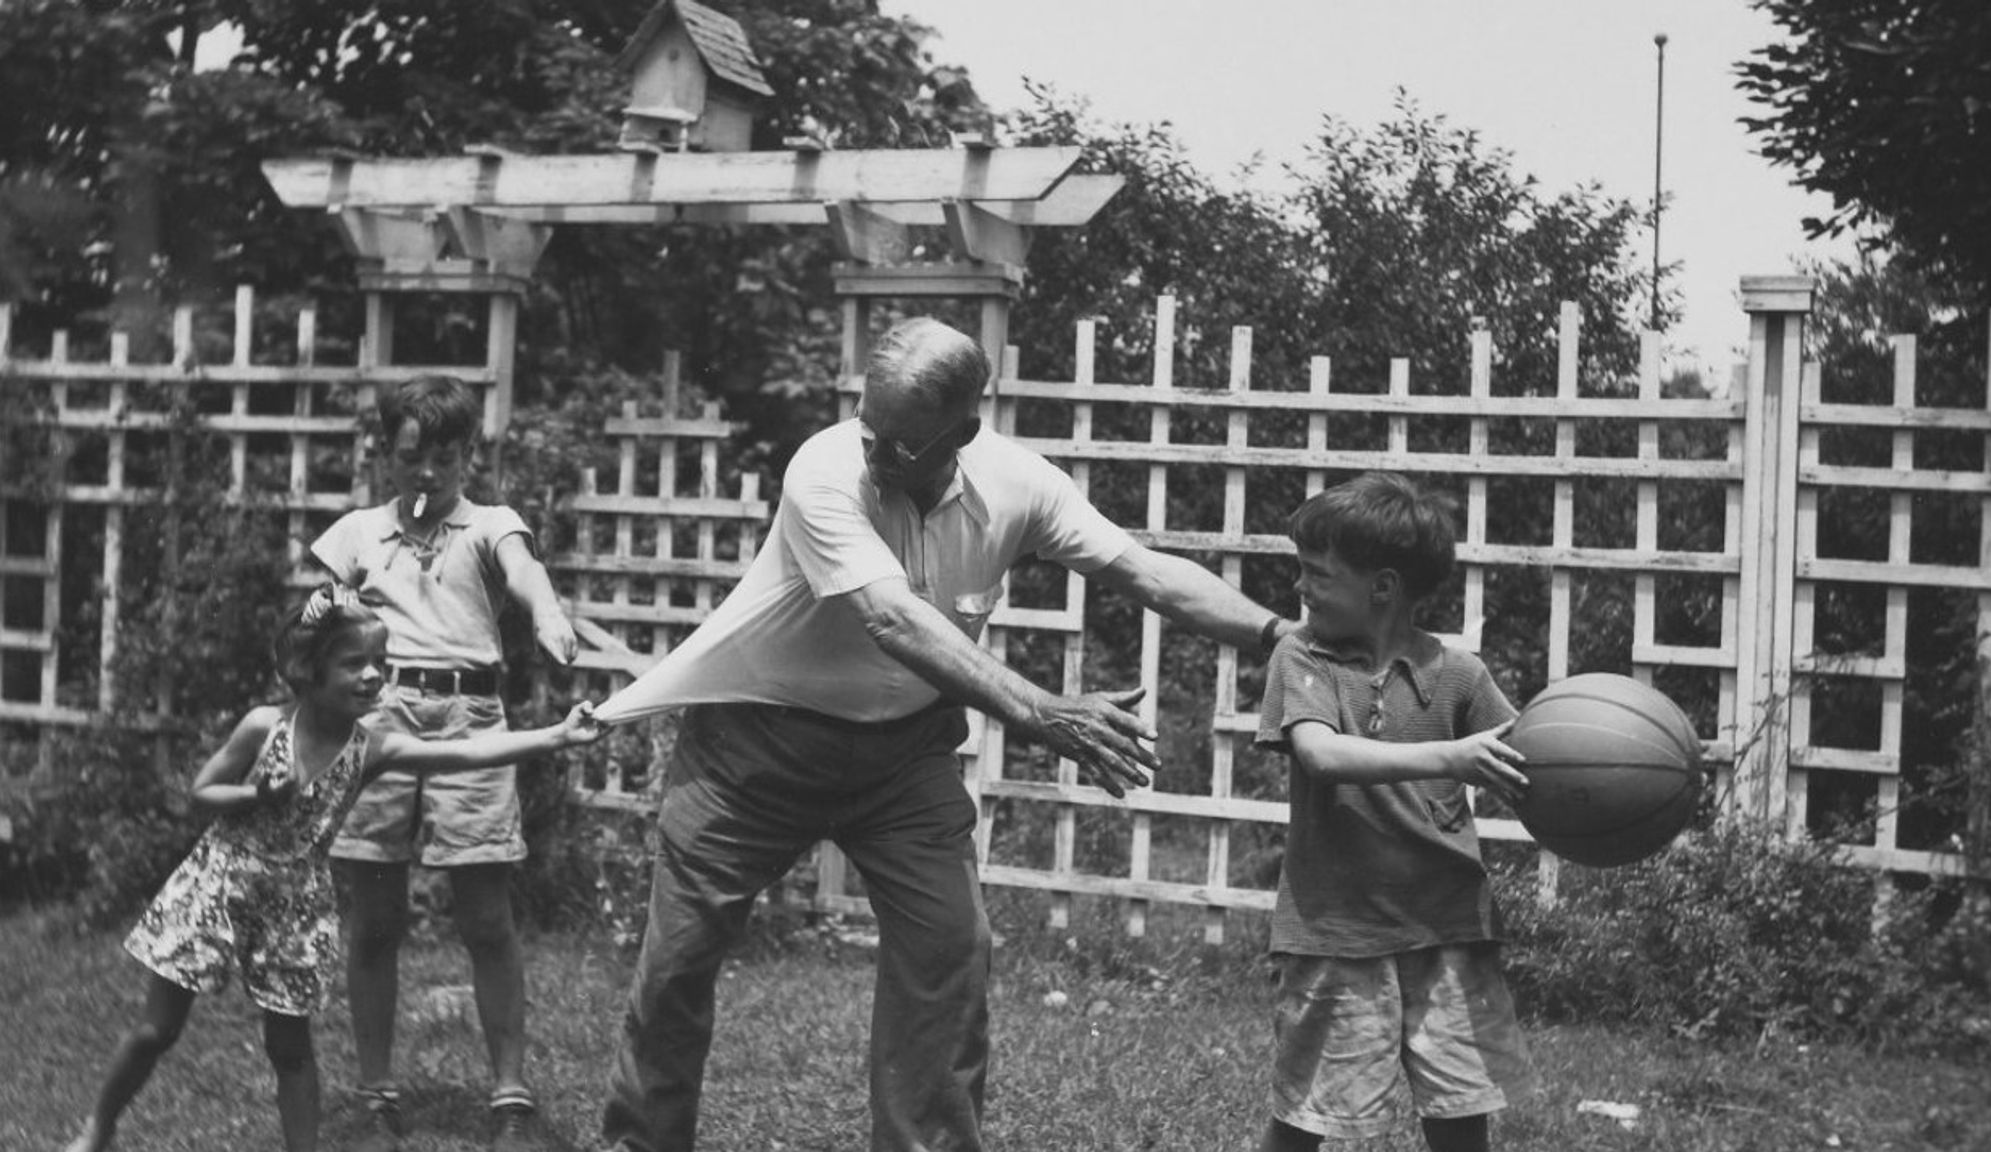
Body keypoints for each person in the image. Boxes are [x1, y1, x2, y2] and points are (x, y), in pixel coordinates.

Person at [589, 317, 1296, 1152]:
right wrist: (1041, 711)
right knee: (676, 965)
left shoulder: (1018, 483)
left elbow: (1143, 572)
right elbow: (893, 620)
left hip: (904, 759)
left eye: (900, 444)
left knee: (951, 957)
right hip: (754, 750)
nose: (875, 454)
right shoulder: (824, 469)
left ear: (962, 433)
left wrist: (1276, 634)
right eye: (869, 427)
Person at [63, 585, 604, 1152]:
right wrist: (255, 794)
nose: (374, 676)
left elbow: (469, 753)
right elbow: (202, 791)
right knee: (157, 1029)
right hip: (217, 887)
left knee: (291, 1052)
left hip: (294, 908)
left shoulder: (373, 749)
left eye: (381, 663)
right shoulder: (264, 726)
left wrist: (558, 735)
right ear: (307, 669)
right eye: (356, 663)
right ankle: (98, 1127)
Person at [308, 376, 580, 1152]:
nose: (427, 474)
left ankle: (511, 1101)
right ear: (387, 455)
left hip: (470, 719)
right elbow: (317, 622)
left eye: (445, 458)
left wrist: (550, 614)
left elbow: (526, 575)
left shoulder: (491, 524)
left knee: (486, 917)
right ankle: (374, 1100)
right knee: (377, 918)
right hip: (378, 720)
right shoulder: (358, 532)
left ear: (469, 455)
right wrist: (320, 631)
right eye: (410, 458)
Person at [1253, 473, 1536, 1152]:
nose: (1299, 586)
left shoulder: (1460, 674)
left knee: (1460, 1110)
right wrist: (1452, 758)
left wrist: (1599, 782)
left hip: (1449, 930)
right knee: (1307, 1115)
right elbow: (1321, 754)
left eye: (1316, 573)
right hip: (1337, 932)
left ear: (1382, 587)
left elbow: (1532, 765)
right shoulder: (1303, 655)